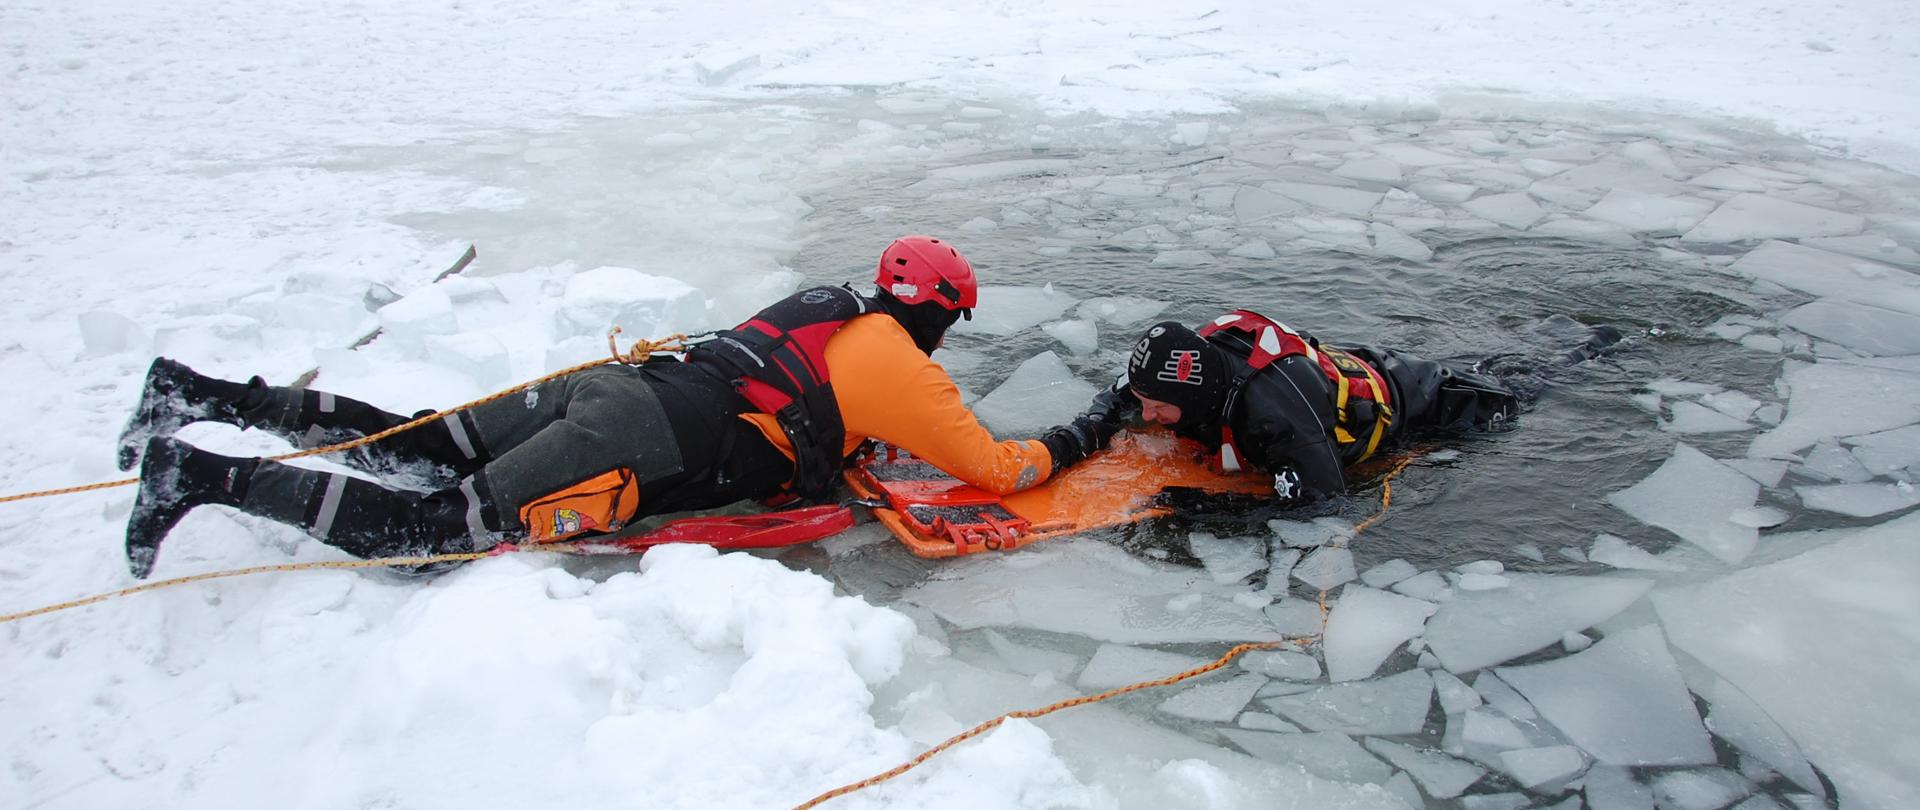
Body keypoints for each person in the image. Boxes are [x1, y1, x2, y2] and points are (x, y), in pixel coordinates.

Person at [118, 236, 1111, 578]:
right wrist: (1085, 432)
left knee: (414, 445)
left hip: (617, 385)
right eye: (956, 320)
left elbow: (805, 398)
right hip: (636, 438)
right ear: (939, 314)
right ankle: (196, 473)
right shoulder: (905, 365)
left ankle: (192, 395)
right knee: (430, 533)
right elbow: (995, 470)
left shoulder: (826, 307)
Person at [1071, 310, 1593, 504]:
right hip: (1359, 370)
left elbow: (1322, 500)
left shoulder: (1273, 413)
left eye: (1158, 409)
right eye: (1144, 404)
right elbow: (1115, 398)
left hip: (1434, 406)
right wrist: (1081, 434)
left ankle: (1595, 343)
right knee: (1499, 365)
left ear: (1194, 399)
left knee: (1527, 387)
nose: (1147, 417)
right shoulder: (1170, 372)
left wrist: (1189, 507)